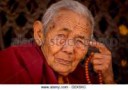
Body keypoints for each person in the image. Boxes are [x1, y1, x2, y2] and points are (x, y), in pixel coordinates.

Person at [0, 0, 115, 84]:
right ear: (39, 33)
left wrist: (108, 79)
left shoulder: (81, 77)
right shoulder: (13, 62)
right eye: (61, 36)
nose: (69, 50)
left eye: (80, 41)